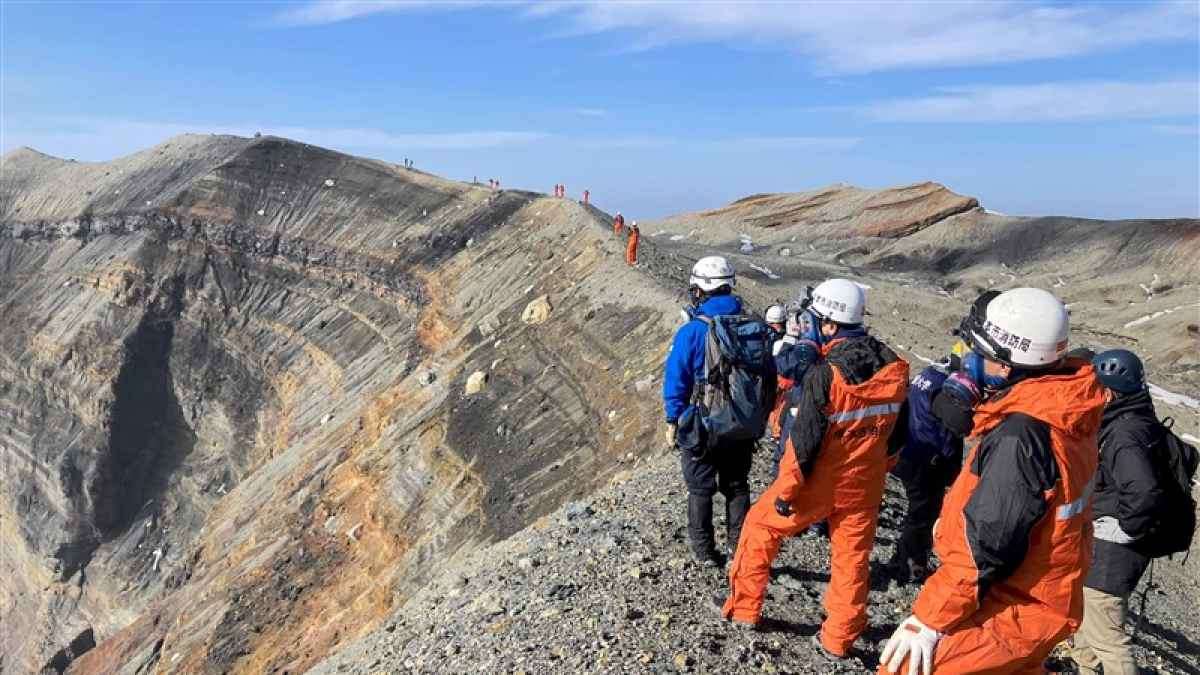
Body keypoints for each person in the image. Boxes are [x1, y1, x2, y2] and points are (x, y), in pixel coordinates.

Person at [879, 287, 1106, 675]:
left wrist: (929, 620)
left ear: (1006, 366)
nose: (968, 362)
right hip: (1045, 592)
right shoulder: (1065, 406)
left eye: (980, 355)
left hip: (1016, 601)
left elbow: (984, 547)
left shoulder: (1021, 436)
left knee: (903, 668)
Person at [720, 279, 910, 660]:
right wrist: (877, 467)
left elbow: (802, 445)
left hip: (822, 481)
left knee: (759, 528)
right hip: (867, 482)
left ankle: (744, 610)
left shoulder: (826, 375)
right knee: (852, 559)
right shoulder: (895, 366)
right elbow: (899, 436)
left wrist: (788, 494)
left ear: (829, 326)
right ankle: (838, 638)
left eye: (813, 320)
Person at [1061, 349, 1162, 675]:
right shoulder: (1133, 419)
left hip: (1112, 552)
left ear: (1108, 390)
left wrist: (1123, 529)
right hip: (1109, 548)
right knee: (1090, 629)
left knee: (1108, 638)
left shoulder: (1123, 433)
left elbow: (1143, 491)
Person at [663, 256, 753, 566]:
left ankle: (704, 553)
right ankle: (739, 551)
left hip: (702, 423)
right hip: (742, 423)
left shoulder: (692, 332)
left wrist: (673, 419)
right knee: (737, 486)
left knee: (700, 488)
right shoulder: (750, 325)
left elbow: (676, 378)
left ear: (701, 290)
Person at [883, 340, 970, 585]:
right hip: (927, 459)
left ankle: (901, 558)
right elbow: (959, 426)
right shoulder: (949, 388)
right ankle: (911, 566)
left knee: (916, 512)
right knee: (923, 515)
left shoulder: (931, 374)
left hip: (909, 451)